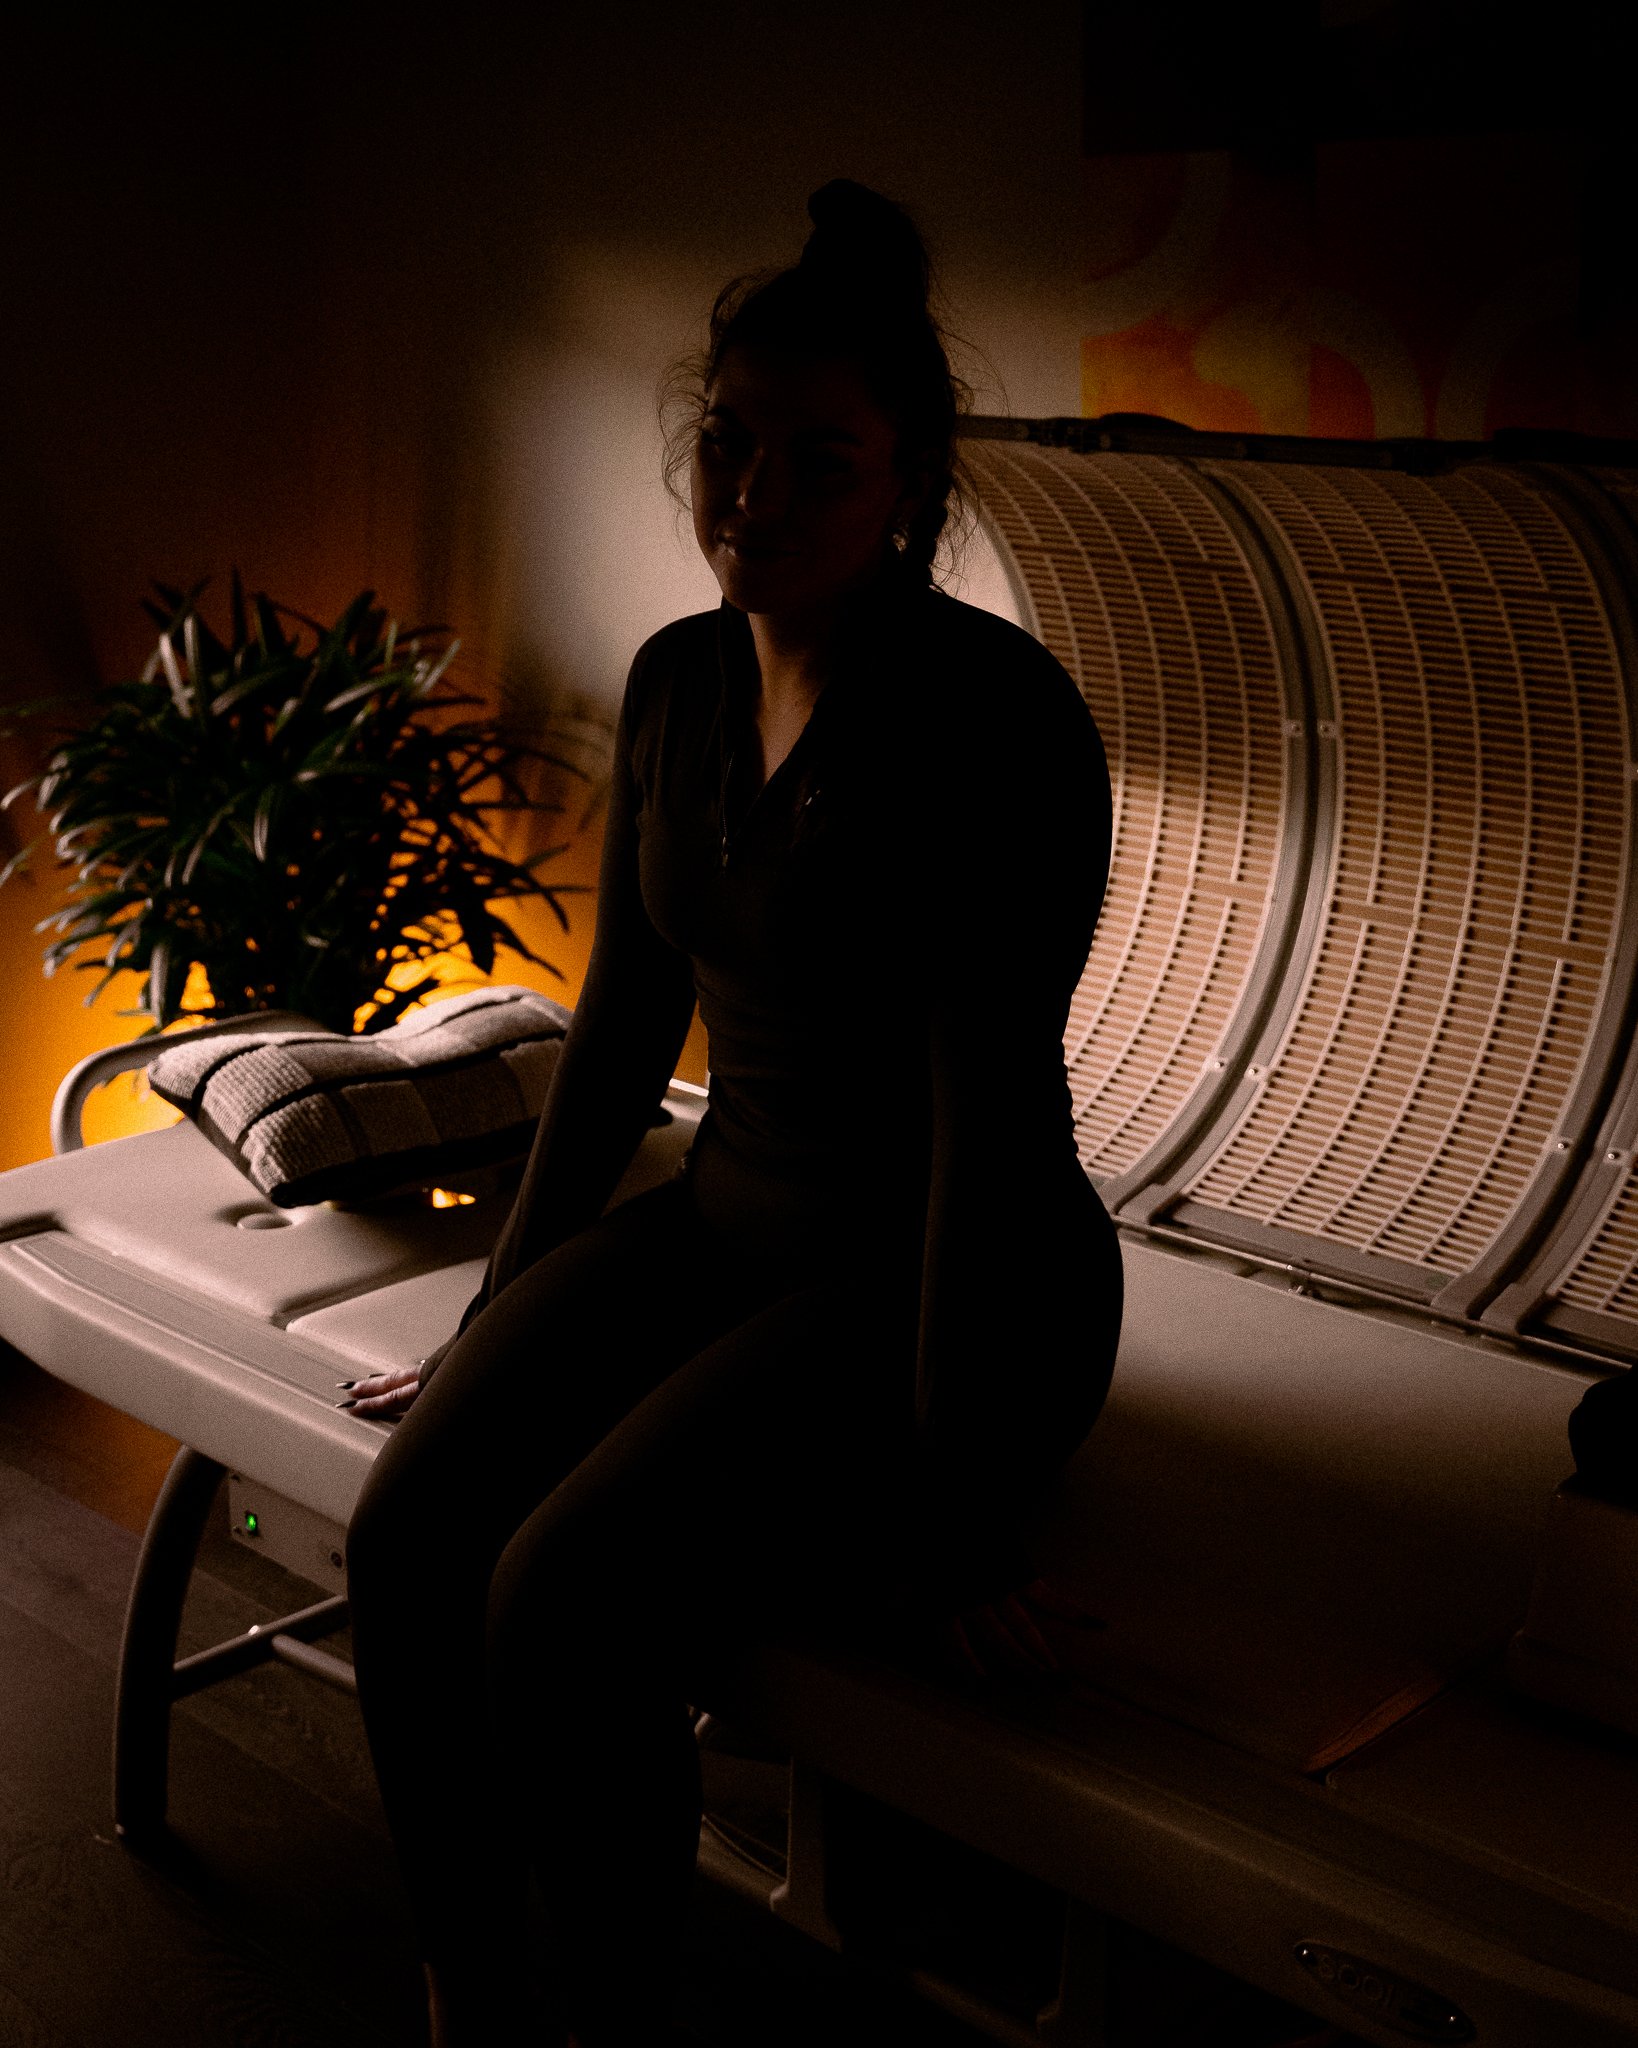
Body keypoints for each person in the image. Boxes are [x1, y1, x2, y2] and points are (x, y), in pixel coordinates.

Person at [341, 178, 1123, 2048]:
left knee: (558, 1601)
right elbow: (623, 1029)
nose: (753, 496)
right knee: (404, 1532)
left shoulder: (990, 721)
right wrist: (502, 1314)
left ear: (909, 486)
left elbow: (991, 1119)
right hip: (732, 1220)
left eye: (818, 461)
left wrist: (959, 1503)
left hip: (949, 1274)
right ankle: (469, 1995)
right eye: (728, 444)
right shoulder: (681, 679)